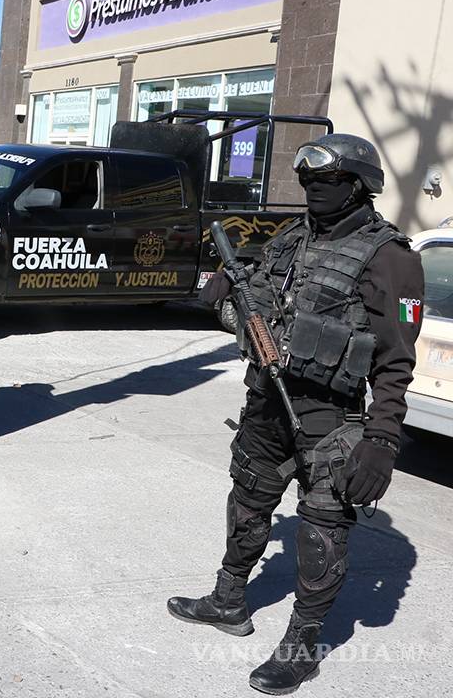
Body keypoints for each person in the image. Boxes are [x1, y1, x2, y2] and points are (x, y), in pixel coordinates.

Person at [167, 134, 425, 695]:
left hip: (331, 418)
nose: (312, 191)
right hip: (267, 403)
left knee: (320, 534)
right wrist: (226, 291)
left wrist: (382, 438)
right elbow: (256, 293)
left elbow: (397, 359)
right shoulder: (290, 237)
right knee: (248, 501)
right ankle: (229, 600)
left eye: (325, 182)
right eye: (307, 181)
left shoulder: (392, 258)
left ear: (357, 186)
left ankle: (302, 646)